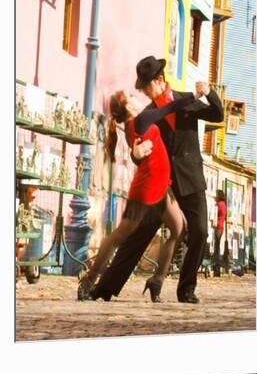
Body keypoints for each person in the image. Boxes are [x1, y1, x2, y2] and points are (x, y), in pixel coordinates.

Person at [91, 56, 224, 303]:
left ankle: (186, 289)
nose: (143, 92)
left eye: (145, 86)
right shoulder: (150, 113)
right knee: (139, 235)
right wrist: (135, 155)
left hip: (191, 178)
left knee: (200, 232)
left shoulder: (187, 100)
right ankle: (103, 288)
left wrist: (209, 92)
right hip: (163, 184)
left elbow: (217, 115)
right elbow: (138, 146)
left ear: (159, 80)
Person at [77, 87, 200, 302]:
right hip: (147, 189)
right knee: (119, 236)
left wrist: (137, 153)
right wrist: (194, 97)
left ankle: (157, 280)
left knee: (178, 229)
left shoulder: (131, 126)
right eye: (132, 97)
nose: (136, 98)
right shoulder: (141, 120)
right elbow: (170, 107)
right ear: (127, 106)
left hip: (160, 187)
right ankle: (88, 280)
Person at [212, 189, 227, 277]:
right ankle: (217, 269)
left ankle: (216, 269)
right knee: (217, 248)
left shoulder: (218, 204)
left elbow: (214, 214)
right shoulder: (224, 204)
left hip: (217, 227)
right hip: (221, 227)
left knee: (216, 249)